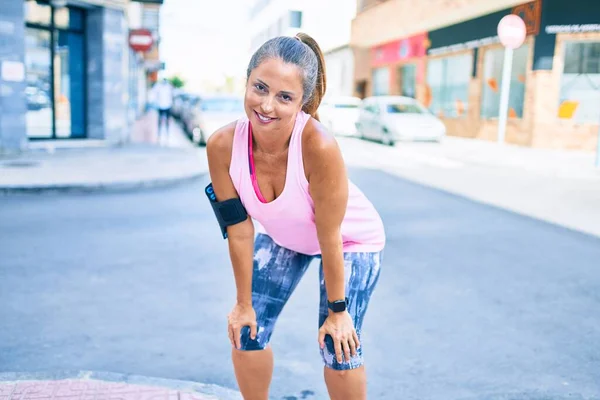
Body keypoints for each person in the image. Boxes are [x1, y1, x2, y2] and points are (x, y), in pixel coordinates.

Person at [205, 33, 385, 400]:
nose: (267, 105)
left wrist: (338, 311)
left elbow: (330, 234)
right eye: (260, 88)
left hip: (350, 240)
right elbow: (239, 230)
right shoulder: (222, 146)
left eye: (284, 97)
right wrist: (243, 304)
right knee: (246, 331)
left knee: (338, 346)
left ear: (303, 102)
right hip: (287, 237)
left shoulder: (318, 146)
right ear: (247, 81)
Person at [152, 77, 174, 145]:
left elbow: (173, 93)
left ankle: (167, 134)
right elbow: (154, 92)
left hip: (167, 105)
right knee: (160, 121)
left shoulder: (169, 86)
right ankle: (159, 134)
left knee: (167, 121)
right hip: (160, 105)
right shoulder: (159, 86)